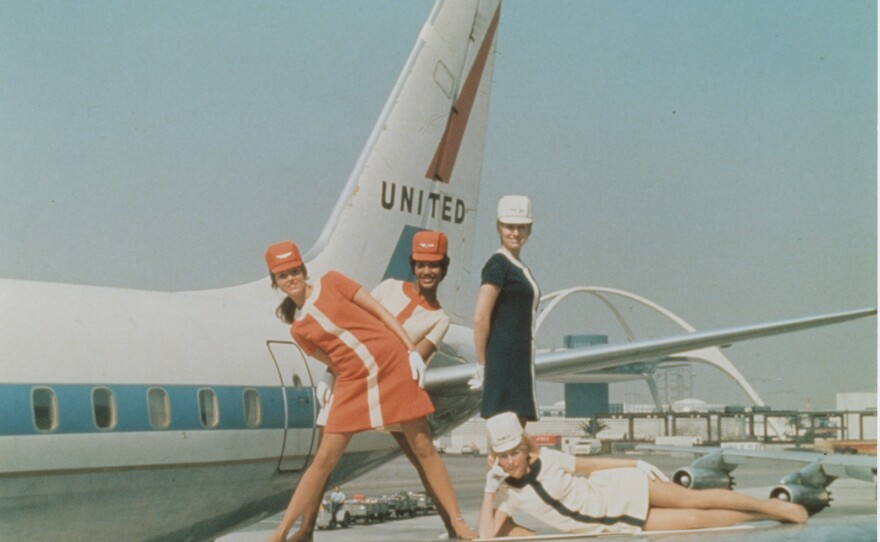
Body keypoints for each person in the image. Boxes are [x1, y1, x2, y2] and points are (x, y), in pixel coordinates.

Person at [264, 240, 475, 542]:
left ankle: (457, 524)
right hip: (353, 381)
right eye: (283, 276)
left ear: (304, 270)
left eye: (295, 271)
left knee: (423, 450)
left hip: (394, 368)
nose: (291, 279)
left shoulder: (333, 281)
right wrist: (328, 377)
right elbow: (332, 359)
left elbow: (377, 313)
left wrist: (409, 350)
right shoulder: (298, 330)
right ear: (275, 282)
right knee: (323, 460)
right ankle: (284, 533)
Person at [478, 412, 809, 538]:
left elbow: (590, 466)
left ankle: (773, 508)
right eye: (503, 456)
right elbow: (487, 536)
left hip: (620, 487)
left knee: (695, 498)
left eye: (514, 453)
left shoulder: (548, 458)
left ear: (524, 448)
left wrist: (634, 465)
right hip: (615, 519)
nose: (510, 462)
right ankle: (759, 512)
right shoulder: (508, 492)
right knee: (696, 520)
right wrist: (490, 491)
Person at [471, 195, 540, 425]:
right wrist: (483, 366)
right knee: (505, 440)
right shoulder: (498, 264)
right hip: (504, 367)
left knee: (515, 440)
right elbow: (481, 318)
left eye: (522, 227)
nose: (515, 233)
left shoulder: (517, 266)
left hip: (518, 365)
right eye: (509, 227)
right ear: (499, 227)